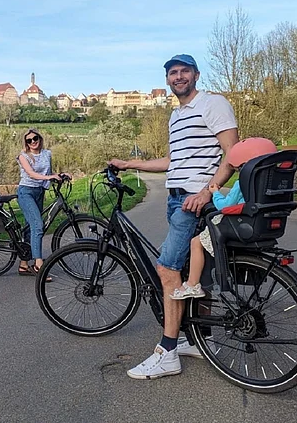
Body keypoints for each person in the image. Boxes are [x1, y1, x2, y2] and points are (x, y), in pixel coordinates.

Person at [109, 54, 239, 379]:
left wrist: (208, 191)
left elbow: (233, 153)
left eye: (184, 71)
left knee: (167, 269)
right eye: (172, 73)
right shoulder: (176, 116)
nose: (178, 77)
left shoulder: (212, 104)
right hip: (176, 198)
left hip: (193, 201)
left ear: (196, 74)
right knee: (192, 270)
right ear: (167, 80)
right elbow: (173, 161)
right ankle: (199, 339)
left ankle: (167, 350)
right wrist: (129, 164)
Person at [171, 138, 277, 300]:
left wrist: (214, 192)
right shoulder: (270, 181)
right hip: (262, 223)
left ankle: (192, 285)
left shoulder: (244, 181)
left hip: (239, 223)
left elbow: (225, 205)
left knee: (196, 242)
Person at [16, 129, 62, 275]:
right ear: (26, 143)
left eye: (35, 138)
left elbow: (48, 172)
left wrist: (59, 175)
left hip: (39, 192)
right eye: (29, 140)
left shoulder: (47, 154)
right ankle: (39, 265)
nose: (33, 142)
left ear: (40, 138)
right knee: (38, 226)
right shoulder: (23, 156)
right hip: (26, 192)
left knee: (31, 228)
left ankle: (23, 265)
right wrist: (47, 178)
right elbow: (31, 173)